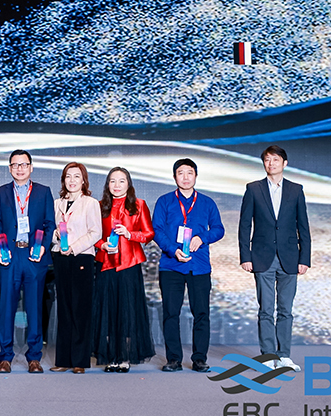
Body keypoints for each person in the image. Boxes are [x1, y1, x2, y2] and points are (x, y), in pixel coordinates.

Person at [238, 145, 311, 372]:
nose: (271, 163)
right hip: (262, 257)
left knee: (286, 310)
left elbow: (303, 226)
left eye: (276, 159)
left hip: (290, 258)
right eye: (267, 159)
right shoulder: (253, 189)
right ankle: (268, 356)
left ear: (284, 163)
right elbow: (244, 225)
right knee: (266, 309)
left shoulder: (296, 190)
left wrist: (305, 259)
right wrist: (245, 256)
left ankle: (284, 355)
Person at [152, 158, 224, 373]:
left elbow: (219, 229)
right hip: (171, 265)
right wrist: (173, 250)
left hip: (199, 265)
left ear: (196, 176)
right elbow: (157, 230)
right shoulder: (164, 201)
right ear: (174, 177)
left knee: (201, 313)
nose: (185, 177)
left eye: (189, 172)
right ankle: (173, 359)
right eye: (180, 173)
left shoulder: (207, 202)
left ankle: (199, 358)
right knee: (170, 313)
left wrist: (202, 238)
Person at [0, 149, 55, 374]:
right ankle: (5, 357)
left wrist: (43, 246)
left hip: (34, 255)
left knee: (34, 307)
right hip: (10, 255)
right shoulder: (0, 193)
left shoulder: (44, 192)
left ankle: (34, 357)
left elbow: (49, 223)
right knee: (7, 306)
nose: (20, 168)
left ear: (31, 167)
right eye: (15, 165)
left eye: (24, 164)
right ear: (10, 168)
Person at [92, 167, 156, 373]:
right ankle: (111, 356)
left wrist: (130, 234)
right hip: (106, 264)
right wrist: (102, 244)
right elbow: (94, 235)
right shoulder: (99, 206)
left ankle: (125, 356)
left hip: (129, 264)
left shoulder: (139, 205)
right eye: (112, 181)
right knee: (108, 311)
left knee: (128, 311)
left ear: (128, 184)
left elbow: (148, 234)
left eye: (121, 181)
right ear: (107, 184)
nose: (117, 185)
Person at [49, 162, 102, 374]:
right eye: (68, 176)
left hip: (81, 257)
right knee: (63, 308)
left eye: (76, 176)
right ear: (63, 180)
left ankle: (80, 360)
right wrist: (55, 235)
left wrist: (74, 247)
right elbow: (51, 229)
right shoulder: (57, 203)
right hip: (60, 257)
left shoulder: (90, 203)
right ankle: (63, 359)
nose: (72, 180)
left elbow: (95, 232)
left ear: (83, 180)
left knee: (81, 309)